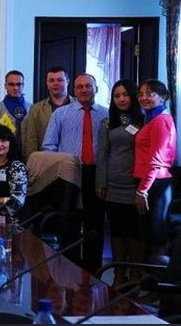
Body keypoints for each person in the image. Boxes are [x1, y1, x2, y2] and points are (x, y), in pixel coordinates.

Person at [42, 73, 108, 273]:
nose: (84, 90)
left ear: (96, 88)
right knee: (69, 224)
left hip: (96, 175)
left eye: (88, 86)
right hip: (69, 175)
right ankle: (68, 274)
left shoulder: (107, 115)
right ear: (74, 90)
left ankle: (93, 273)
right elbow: (49, 145)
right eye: (80, 87)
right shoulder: (60, 114)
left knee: (94, 226)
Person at [95, 80, 144, 287]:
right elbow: (102, 154)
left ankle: (135, 276)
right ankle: (119, 275)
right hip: (113, 185)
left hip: (136, 185)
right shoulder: (107, 122)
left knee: (135, 232)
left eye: (125, 94)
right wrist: (100, 182)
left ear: (133, 96)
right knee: (116, 231)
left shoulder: (144, 119)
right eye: (117, 96)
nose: (121, 99)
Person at [134, 79, 177, 264]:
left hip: (155, 184)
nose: (144, 98)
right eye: (141, 94)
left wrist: (142, 190)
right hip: (150, 182)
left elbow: (157, 160)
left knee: (156, 237)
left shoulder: (161, 121)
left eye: (150, 94)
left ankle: (157, 278)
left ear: (163, 97)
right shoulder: (150, 118)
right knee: (147, 235)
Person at [22, 67, 73, 160]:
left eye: (60, 80)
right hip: (46, 162)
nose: (55, 83)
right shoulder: (36, 109)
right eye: (51, 80)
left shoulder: (78, 107)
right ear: (47, 83)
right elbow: (31, 141)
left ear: (67, 81)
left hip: (73, 161)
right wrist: (32, 163)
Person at [0, 70, 31, 147]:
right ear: (5, 86)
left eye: (18, 84)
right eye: (11, 84)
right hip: (3, 152)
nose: (15, 88)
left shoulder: (32, 109)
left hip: (28, 152)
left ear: (23, 86)